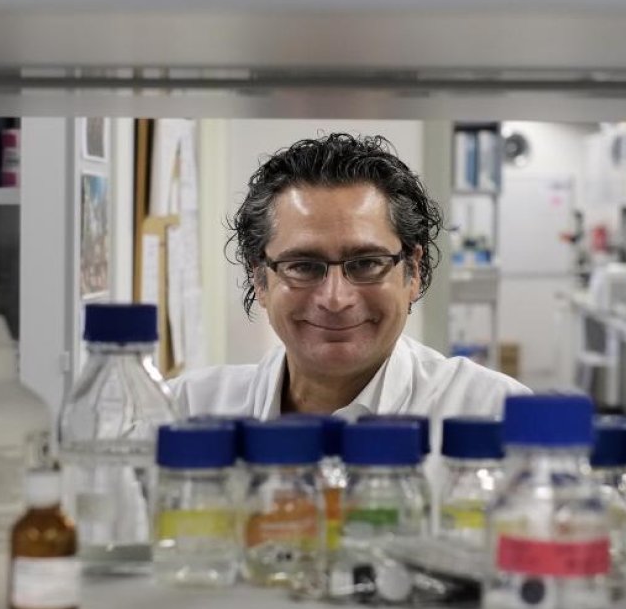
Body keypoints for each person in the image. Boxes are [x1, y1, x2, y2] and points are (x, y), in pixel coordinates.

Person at [169, 133, 529, 426]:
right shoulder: (185, 414)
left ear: (413, 271)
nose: (336, 298)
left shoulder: (493, 414)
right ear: (260, 279)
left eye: (367, 263)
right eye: (303, 266)